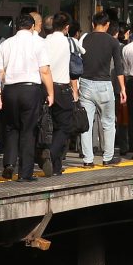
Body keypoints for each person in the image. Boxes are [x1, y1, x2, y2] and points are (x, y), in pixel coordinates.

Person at [0, 10, 48, 182]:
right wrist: (51, 93)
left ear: (17, 26)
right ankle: (25, 173)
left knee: (11, 128)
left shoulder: (5, 44)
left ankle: (9, 164)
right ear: (32, 27)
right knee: (28, 130)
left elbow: (0, 73)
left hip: (10, 90)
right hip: (30, 89)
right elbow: (44, 70)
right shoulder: (38, 44)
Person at [77, 12, 125, 166]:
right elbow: (118, 67)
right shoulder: (113, 42)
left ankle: (87, 160)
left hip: (85, 84)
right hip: (104, 84)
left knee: (87, 123)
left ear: (93, 24)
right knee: (108, 122)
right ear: (107, 25)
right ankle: (108, 157)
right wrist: (123, 89)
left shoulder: (84, 38)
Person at [41, 13, 80, 175]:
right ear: (66, 27)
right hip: (62, 89)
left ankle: (56, 166)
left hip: (45, 87)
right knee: (63, 126)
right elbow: (77, 64)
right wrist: (75, 90)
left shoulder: (44, 42)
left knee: (48, 125)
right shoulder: (69, 42)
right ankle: (51, 152)